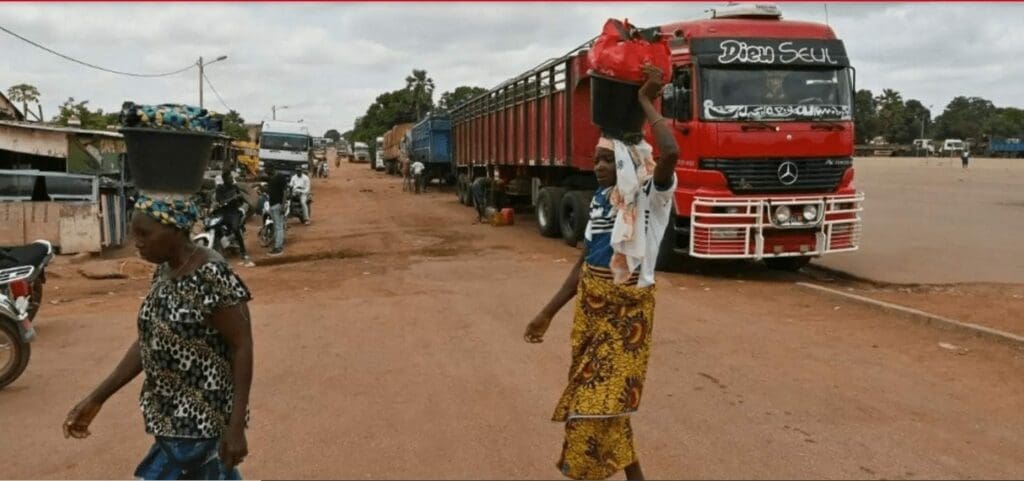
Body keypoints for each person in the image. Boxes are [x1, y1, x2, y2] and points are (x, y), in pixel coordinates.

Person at [524, 64, 679, 481]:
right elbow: (584, 262)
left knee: (598, 401)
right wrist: (548, 312)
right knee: (604, 404)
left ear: (628, 162)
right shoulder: (599, 201)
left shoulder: (650, 196)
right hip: (592, 306)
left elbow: (671, 152)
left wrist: (646, 101)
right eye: (595, 160)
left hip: (627, 309)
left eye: (606, 160)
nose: (597, 167)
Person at [64, 194, 254, 480]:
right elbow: (149, 341)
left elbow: (242, 345)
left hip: (200, 422)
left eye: (144, 234)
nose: (136, 242)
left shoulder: (210, 274)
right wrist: (96, 398)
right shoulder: (164, 272)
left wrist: (236, 426)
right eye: (134, 234)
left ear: (176, 229)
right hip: (168, 417)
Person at [214, 170, 255, 267]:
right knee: (214, 225)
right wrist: (231, 199)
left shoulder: (235, 187)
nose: (232, 179)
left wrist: (249, 204)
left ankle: (243, 252)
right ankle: (221, 244)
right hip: (222, 211)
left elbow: (241, 197)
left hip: (233, 212)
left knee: (236, 228)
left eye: (232, 177)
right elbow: (218, 200)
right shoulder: (220, 188)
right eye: (230, 178)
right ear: (224, 179)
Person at [264, 165, 290, 256]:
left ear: (271, 169)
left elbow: (285, 192)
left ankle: (278, 248)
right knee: (276, 226)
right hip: (272, 205)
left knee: (279, 227)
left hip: (278, 205)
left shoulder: (280, 177)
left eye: (266, 169)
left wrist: (283, 206)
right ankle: (276, 245)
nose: (265, 171)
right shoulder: (271, 178)